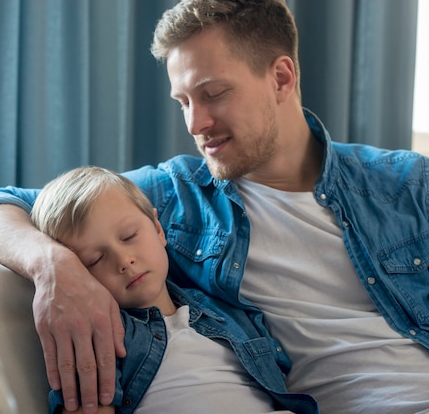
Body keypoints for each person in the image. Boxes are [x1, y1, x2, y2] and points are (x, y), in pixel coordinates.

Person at [0, 0, 429, 413]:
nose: (196, 123)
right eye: (183, 101)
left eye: (213, 93)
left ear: (281, 78)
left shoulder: (406, 184)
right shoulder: (174, 196)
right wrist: (54, 267)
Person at [31, 165, 317, 414]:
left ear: (158, 228)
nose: (124, 260)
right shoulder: (103, 337)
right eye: (95, 259)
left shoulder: (228, 314)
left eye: (129, 236)